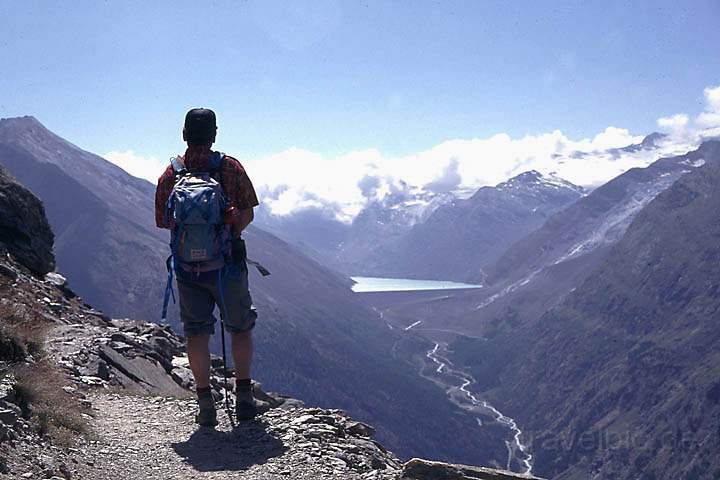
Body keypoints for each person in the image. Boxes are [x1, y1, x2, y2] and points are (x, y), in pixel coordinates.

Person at [155, 108, 259, 426]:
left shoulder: (171, 174)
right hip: (227, 266)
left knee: (197, 334)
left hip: (189, 271)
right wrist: (228, 231)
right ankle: (243, 398)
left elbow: (163, 222)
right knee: (240, 328)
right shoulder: (230, 168)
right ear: (214, 134)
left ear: (184, 134)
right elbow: (248, 213)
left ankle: (205, 403)